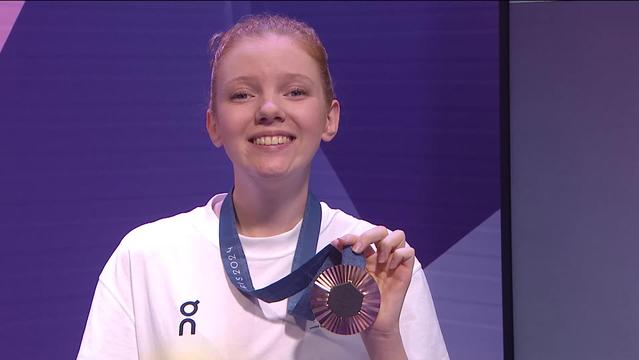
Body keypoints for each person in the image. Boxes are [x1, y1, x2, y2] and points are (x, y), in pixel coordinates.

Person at [78, 14, 449, 360]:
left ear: (329, 118)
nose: (269, 108)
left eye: (295, 92)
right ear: (214, 125)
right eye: (242, 94)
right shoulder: (146, 257)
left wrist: (383, 338)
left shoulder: (379, 267)